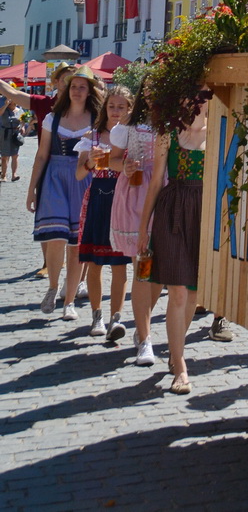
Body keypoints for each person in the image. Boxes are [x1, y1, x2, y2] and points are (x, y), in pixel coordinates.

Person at [137, 94, 210, 393]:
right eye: (195, 95)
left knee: (193, 291)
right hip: (174, 209)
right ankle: (180, 364)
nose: (198, 102)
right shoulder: (168, 131)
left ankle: (175, 349)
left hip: (204, 210)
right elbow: (156, 181)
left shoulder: (219, 130)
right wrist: (144, 227)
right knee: (178, 291)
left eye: (205, 97)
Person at [26, 68, 105, 319]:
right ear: (67, 90)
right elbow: (41, 155)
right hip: (55, 178)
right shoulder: (53, 118)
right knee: (56, 237)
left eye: (82, 87)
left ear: (90, 91)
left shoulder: (97, 119)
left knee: (77, 244)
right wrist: (31, 190)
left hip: (83, 178)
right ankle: (52, 287)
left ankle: (68, 301)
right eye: (74, 86)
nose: (77, 91)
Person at [108, 88, 163, 365]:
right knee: (144, 266)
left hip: (166, 195)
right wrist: (125, 166)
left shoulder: (175, 121)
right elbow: (112, 159)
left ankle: (144, 321)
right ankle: (145, 339)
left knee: (160, 272)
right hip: (136, 196)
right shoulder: (129, 124)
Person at [75, 85, 134, 340]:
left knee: (120, 263)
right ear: (105, 108)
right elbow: (79, 174)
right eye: (112, 106)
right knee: (95, 262)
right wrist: (90, 161)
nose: (116, 111)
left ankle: (116, 318)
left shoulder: (134, 136)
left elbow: (139, 174)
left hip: (122, 200)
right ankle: (97, 315)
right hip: (99, 197)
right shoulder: (92, 136)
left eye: (122, 107)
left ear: (130, 109)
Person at [0, 95, 24, 180]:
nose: (16, 102)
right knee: (5, 156)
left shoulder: (19, 110)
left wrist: (23, 127)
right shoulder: (4, 109)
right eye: (14, 100)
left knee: (15, 155)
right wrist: (6, 105)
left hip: (15, 134)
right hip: (5, 134)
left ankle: (14, 175)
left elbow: (22, 121)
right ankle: (4, 175)